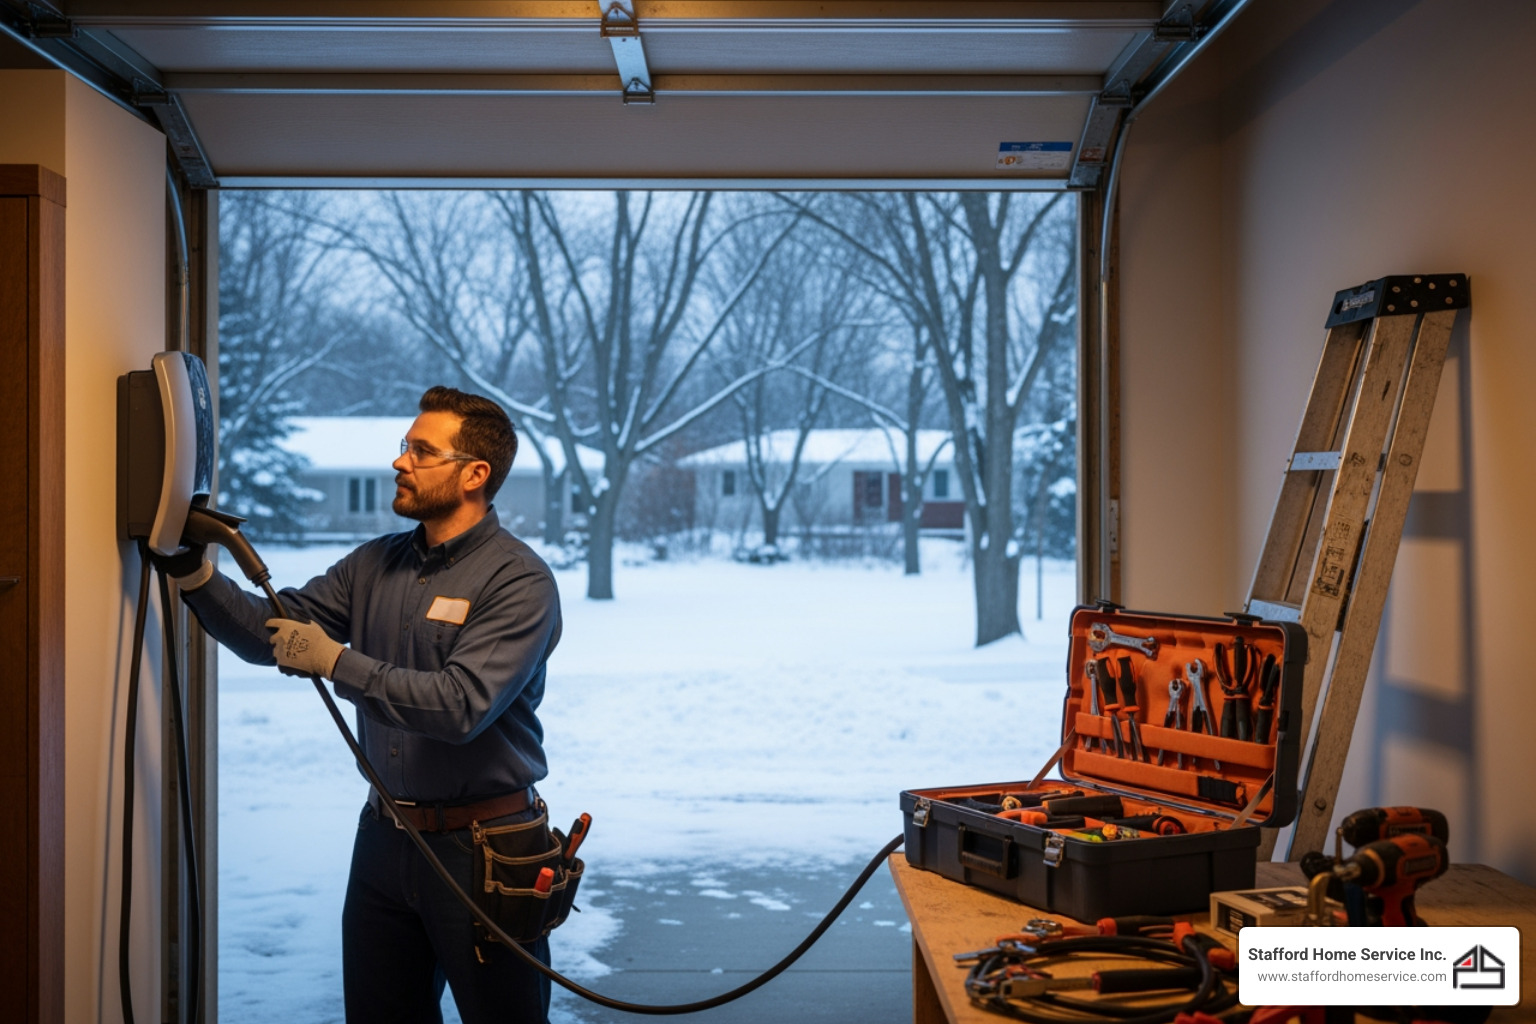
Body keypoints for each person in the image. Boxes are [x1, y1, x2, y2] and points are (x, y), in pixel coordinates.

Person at [158, 386, 563, 1024]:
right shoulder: (375, 563)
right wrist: (195, 574)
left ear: (474, 474)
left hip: (487, 852)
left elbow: (460, 706)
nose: (400, 462)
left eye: (422, 451)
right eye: (405, 446)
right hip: (383, 840)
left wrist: (334, 660)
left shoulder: (519, 581)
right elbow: (274, 631)